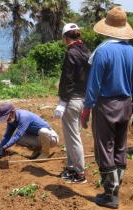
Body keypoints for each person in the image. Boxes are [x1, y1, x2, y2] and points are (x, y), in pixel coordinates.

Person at [81, 7, 133, 209]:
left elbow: (94, 85)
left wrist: (86, 109)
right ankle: (116, 188)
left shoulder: (102, 52)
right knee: (120, 146)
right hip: (126, 104)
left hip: (106, 105)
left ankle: (110, 195)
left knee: (104, 147)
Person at [55, 23, 90, 184]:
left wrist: (62, 101)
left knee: (73, 137)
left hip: (72, 100)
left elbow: (67, 80)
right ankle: (71, 167)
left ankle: (79, 173)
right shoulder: (86, 51)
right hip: (84, 98)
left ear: (65, 38)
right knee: (72, 136)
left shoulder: (71, 53)